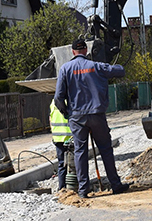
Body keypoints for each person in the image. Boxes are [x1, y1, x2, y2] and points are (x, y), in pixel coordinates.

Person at [54, 39, 129, 198]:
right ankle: (116, 185)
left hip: (77, 117)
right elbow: (120, 71)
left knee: (80, 152)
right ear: (86, 50)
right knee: (106, 150)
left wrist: (67, 114)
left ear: (73, 52)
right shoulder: (96, 66)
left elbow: (58, 98)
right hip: (97, 115)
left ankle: (83, 191)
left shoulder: (65, 69)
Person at [49, 102, 73, 191]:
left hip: (57, 137)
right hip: (70, 137)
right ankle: (77, 185)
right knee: (75, 163)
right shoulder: (69, 101)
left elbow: (50, 119)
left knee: (62, 164)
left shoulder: (53, 103)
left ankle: (62, 187)